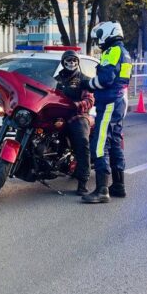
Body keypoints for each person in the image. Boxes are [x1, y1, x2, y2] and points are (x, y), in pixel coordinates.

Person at [82, 20, 132, 204]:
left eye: (100, 35)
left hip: (110, 102)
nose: (98, 40)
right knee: (115, 142)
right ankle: (118, 185)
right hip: (118, 101)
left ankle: (102, 189)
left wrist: (86, 83)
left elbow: (105, 78)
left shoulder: (113, 51)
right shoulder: (125, 52)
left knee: (99, 143)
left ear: (109, 33)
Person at [53, 50, 94, 196]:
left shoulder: (83, 79)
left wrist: (76, 105)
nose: (71, 63)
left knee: (82, 142)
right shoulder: (57, 79)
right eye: (68, 60)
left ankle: (83, 182)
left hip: (77, 116)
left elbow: (89, 100)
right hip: (58, 115)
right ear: (63, 62)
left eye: (74, 60)